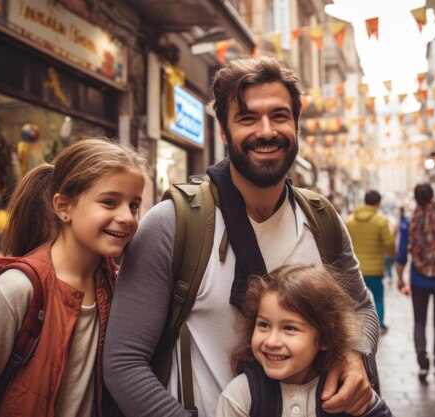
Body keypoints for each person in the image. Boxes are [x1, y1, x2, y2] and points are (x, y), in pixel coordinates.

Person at [103, 56, 380, 417]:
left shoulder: (322, 220)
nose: (266, 131)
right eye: (247, 118)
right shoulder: (172, 223)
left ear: (296, 123)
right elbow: (124, 361)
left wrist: (355, 354)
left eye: (279, 116)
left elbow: (360, 307)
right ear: (223, 132)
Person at [0, 138, 148, 416]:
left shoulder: (115, 286)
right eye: (109, 202)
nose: (127, 217)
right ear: (64, 207)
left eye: (134, 205)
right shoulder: (16, 290)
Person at [217, 264, 393, 417]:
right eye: (263, 325)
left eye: (289, 328)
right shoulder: (241, 396)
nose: (271, 341)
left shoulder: (346, 391)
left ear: (325, 338)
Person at [395, 183, 435, 381]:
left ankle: (423, 364)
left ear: (415, 198)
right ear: (432, 197)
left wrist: (399, 277)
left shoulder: (408, 219)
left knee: (419, 321)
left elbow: (402, 252)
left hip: (419, 278)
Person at [345, 190, 395, 332]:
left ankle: (356, 327)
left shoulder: (350, 220)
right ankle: (379, 326)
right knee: (378, 298)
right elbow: (389, 244)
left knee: (355, 301)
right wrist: (392, 256)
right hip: (375, 270)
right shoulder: (381, 221)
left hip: (355, 269)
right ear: (377, 203)